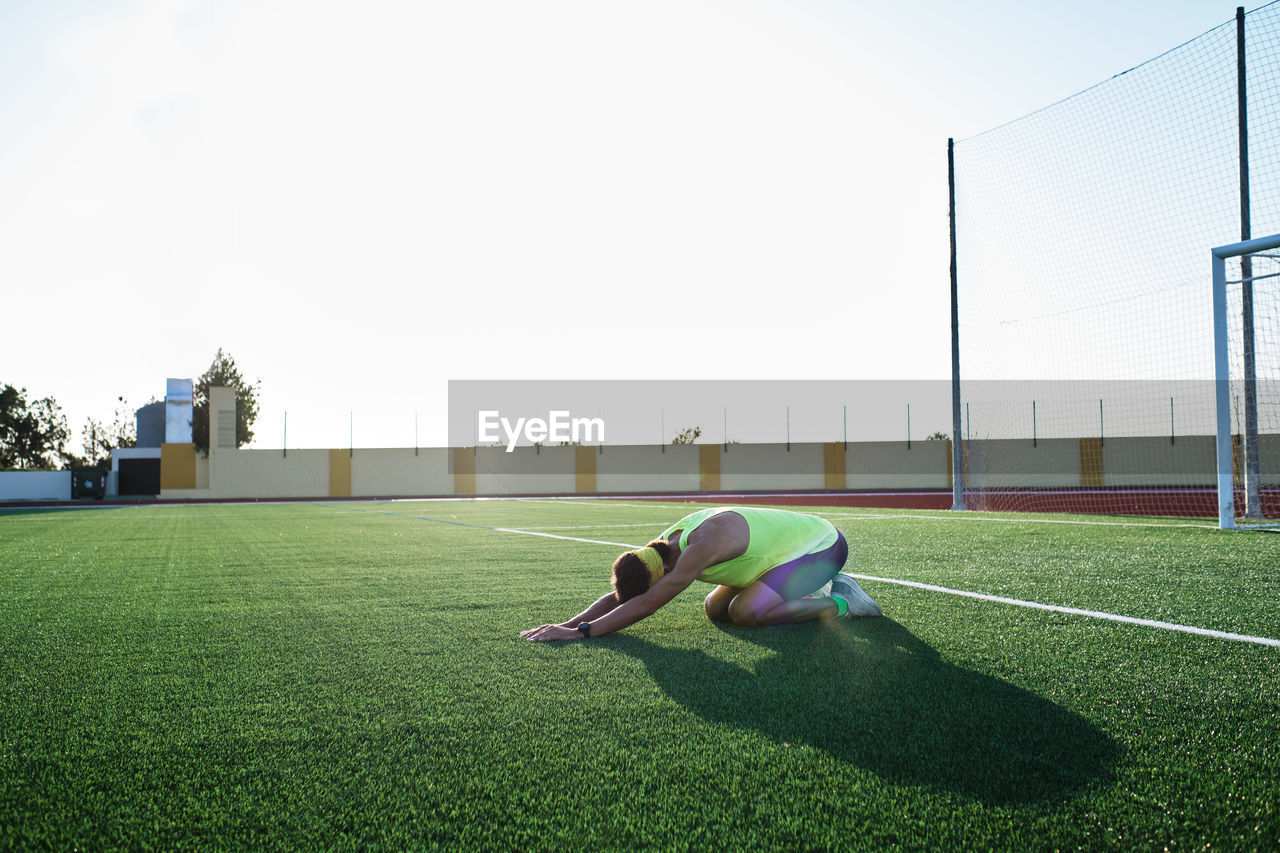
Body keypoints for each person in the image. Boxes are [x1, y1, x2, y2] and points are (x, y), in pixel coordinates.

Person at [520, 505, 881, 642]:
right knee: (715, 610)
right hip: (778, 558)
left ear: (662, 573)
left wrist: (582, 634)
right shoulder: (660, 551)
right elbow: (626, 597)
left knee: (745, 613)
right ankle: (804, 594)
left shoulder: (700, 546)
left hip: (821, 548)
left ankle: (841, 603)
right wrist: (565, 624)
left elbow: (647, 604)